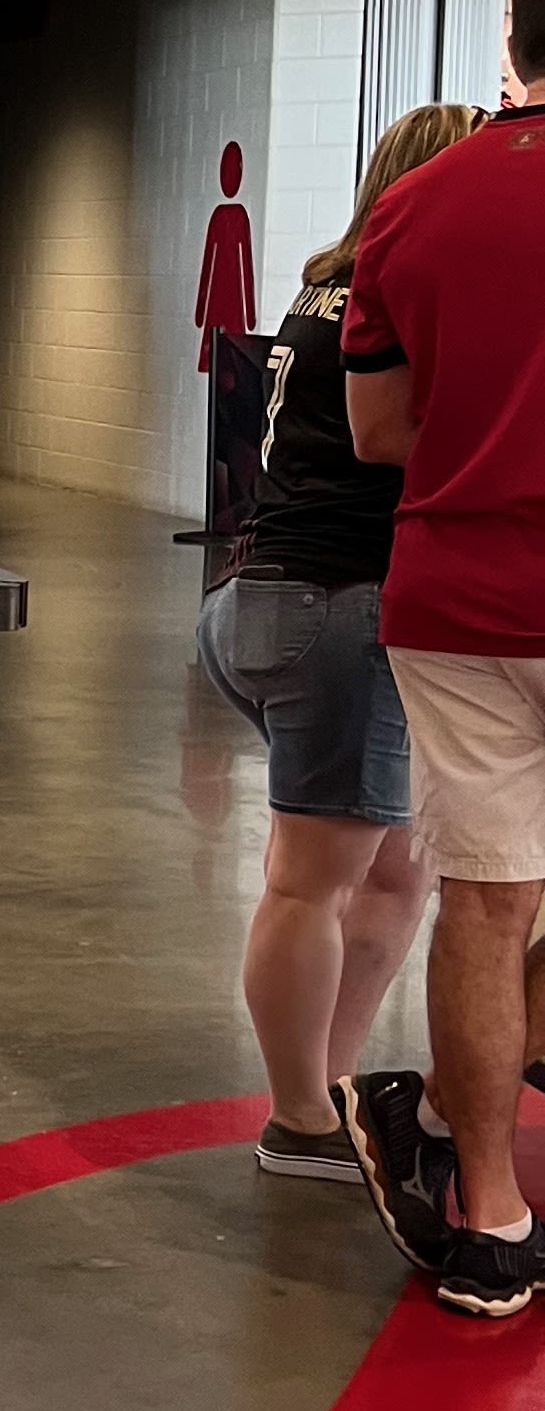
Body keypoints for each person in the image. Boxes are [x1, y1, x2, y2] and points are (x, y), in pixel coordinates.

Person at [198, 106, 479, 1180]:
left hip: (271, 595)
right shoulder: (399, 295)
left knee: (398, 869)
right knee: (308, 881)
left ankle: (336, 1085)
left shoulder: (331, 280)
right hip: (335, 608)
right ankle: (298, 1117)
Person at [338, 0, 545, 1319]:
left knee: (486, 899)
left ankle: (491, 1219)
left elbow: (378, 432)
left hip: (462, 599)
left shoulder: (414, 204)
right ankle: (449, 1132)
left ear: (516, 43)